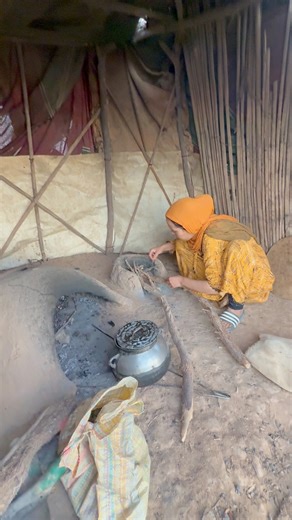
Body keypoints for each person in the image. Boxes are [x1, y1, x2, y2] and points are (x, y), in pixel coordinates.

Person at [149, 194, 275, 333]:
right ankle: (224, 288)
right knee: (183, 244)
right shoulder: (201, 225)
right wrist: (162, 248)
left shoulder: (212, 238)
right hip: (229, 264)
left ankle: (236, 308)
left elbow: (214, 287)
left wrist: (181, 281)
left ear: (187, 226)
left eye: (174, 231)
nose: (172, 234)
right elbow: (182, 242)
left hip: (250, 280)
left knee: (237, 249)